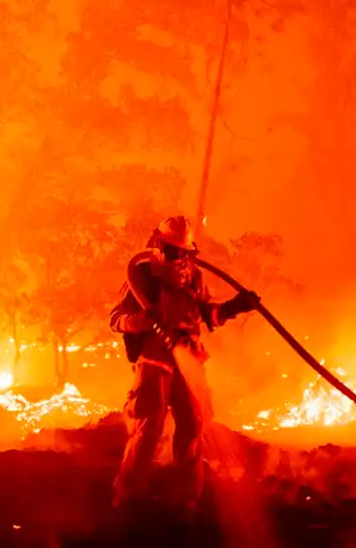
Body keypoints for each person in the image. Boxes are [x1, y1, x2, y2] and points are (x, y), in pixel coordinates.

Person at [110, 215, 259, 511]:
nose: (178, 257)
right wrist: (141, 320)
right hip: (154, 361)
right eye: (173, 250)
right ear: (159, 245)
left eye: (183, 252)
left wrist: (235, 307)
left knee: (193, 425)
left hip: (189, 359)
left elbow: (208, 315)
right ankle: (128, 496)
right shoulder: (141, 275)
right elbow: (116, 320)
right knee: (148, 425)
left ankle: (186, 498)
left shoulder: (194, 277)